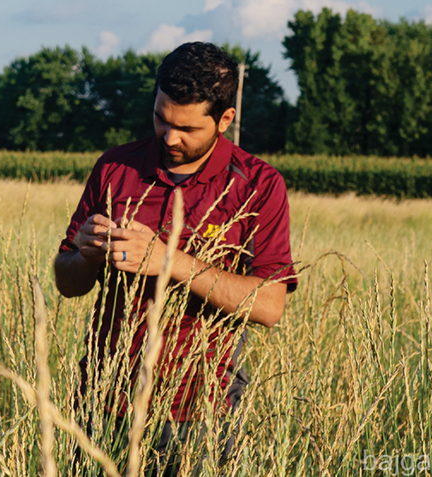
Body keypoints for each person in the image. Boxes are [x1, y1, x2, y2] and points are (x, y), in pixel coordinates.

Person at [53, 42, 297, 473]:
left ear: (225, 119)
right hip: (104, 398)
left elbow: (269, 305)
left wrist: (171, 261)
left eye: (187, 128)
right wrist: (87, 254)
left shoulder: (258, 184)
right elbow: (67, 281)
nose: (169, 137)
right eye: (161, 119)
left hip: (201, 408)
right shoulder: (115, 167)